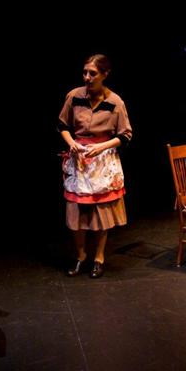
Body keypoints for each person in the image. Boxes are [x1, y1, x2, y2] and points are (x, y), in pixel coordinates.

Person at [58, 54, 133, 279]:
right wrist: (72, 143)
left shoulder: (115, 102)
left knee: (102, 213)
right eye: (85, 73)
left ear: (105, 75)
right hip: (79, 160)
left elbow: (126, 135)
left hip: (102, 161)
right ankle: (80, 256)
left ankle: (98, 258)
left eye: (93, 73)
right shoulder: (74, 96)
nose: (87, 77)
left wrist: (101, 147)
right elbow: (62, 125)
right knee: (76, 212)